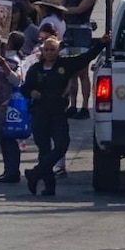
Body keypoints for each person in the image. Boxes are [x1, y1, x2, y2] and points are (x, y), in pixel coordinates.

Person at [21, 33, 110, 196]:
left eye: (52, 50)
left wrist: (101, 44)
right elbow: (25, 88)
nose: (49, 53)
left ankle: (35, 173)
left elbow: (85, 58)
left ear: (58, 50)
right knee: (44, 150)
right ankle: (49, 187)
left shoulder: (65, 65)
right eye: (46, 50)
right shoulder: (35, 69)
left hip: (58, 113)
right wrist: (31, 92)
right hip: (40, 113)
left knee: (62, 145)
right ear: (42, 51)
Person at [0, 31, 27, 181]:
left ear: (10, 43)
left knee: (9, 138)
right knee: (4, 138)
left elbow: (16, 81)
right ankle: (8, 170)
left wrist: (5, 66)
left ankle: (12, 172)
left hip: (7, 103)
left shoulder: (13, 60)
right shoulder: (7, 57)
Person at [63, 0, 97, 120]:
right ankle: (73, 104)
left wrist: (63, 10)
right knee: (71, 71)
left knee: (83, 70)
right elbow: (60, 6)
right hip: (69, 31)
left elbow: (80, 9)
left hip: (82, 31)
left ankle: (84, 106)